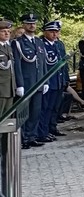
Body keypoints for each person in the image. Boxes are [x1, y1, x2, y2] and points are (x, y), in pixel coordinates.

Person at [12, 13, 48, 149]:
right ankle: (23, 139)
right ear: (24, 25)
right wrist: (19, 84)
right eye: (29, 23)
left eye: (34, 23)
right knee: (24, 113)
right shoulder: (18, 43)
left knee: (35, 111)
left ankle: (32, 136)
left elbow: (43, 63)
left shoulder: (39, 42)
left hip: (38, 82)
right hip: (27, 83)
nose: (32, 25)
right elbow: (17, 65)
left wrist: (45, 81)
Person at [0, 19, 16, 116]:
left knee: (7, 117)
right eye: (3, 31)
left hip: (10, 88)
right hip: (1, 89)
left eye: (8, 31)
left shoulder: (8, 47)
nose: (7, 34)